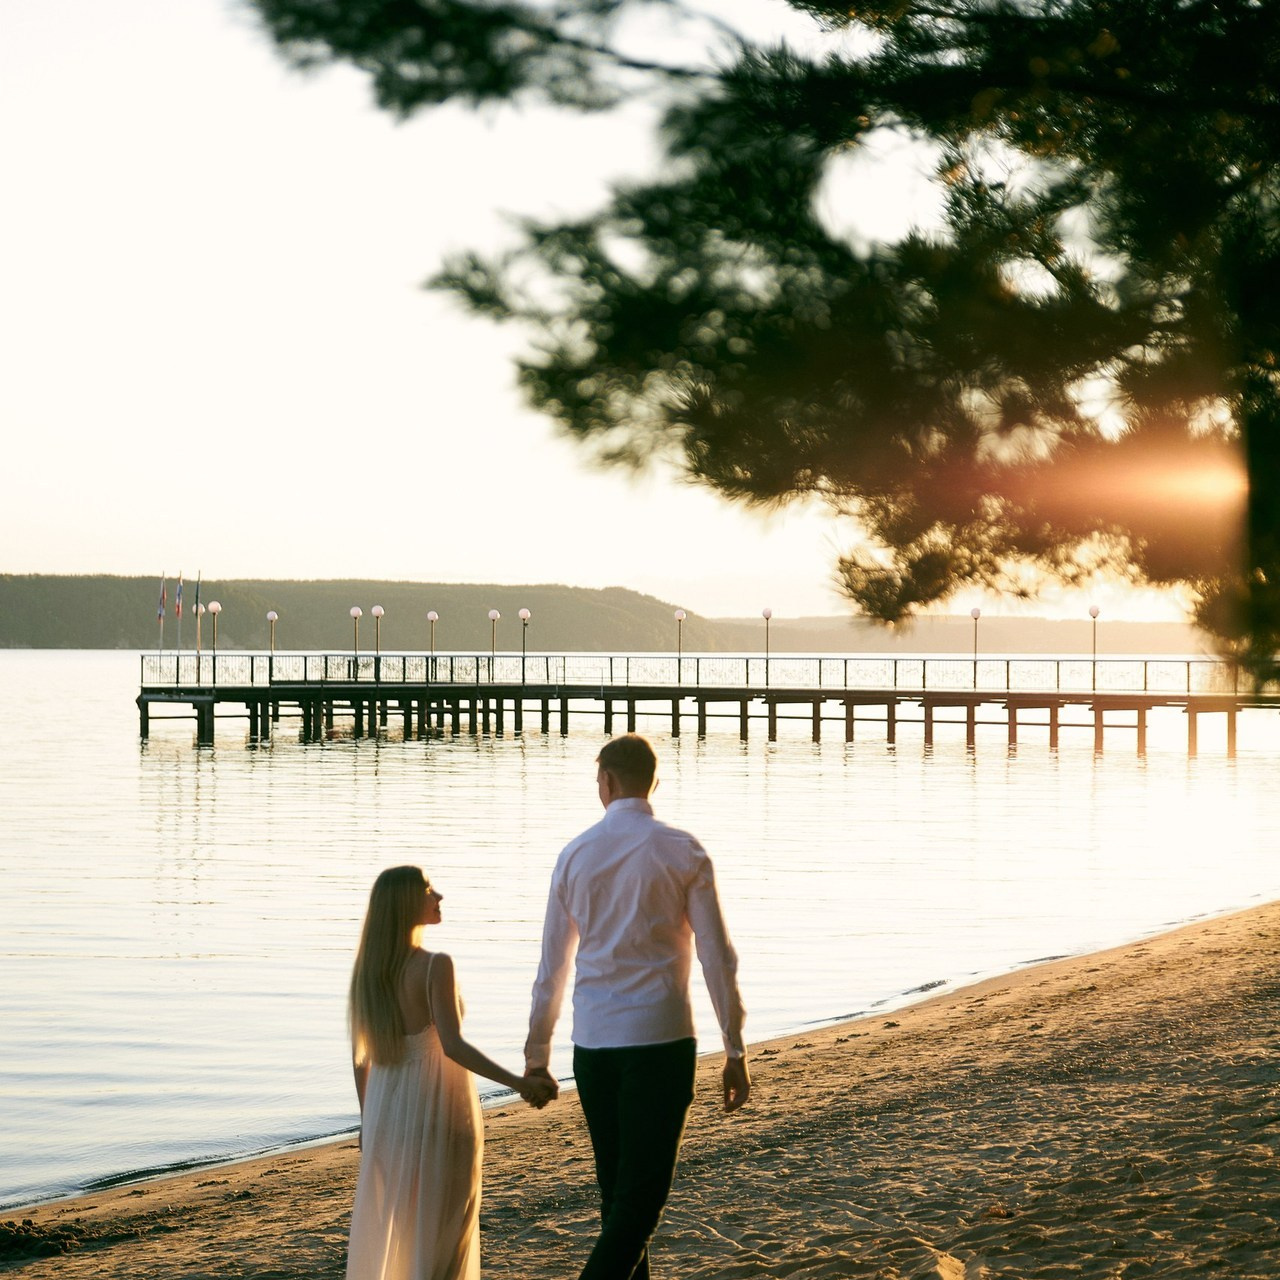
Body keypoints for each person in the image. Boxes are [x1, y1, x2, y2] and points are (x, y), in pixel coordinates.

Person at [525, 733, 750, 1280]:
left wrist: (537, 1055)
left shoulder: (575, 854)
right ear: (653, 781)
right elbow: (716, 957)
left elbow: (552, 967)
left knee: (620, 1201)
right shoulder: (683, 850)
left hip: (595, 1043)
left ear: (605, 782)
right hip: (660, 1039)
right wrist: (734, 1046)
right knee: (637, 1204)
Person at [347, 865, 556, 1280]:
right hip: (439, 1105)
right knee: (447, 1226)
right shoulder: (434, 966)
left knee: (405, 1227)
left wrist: (367, 1120)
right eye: (429, 890)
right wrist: (519, 1083)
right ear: (407, 903)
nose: (438, 896)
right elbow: (453, 1045)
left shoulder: (369, 973)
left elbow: (360, 1059)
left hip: (387, 1111)